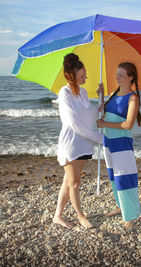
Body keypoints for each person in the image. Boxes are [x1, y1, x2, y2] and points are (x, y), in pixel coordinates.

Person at [52, 53, 103, 229]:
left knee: (68, 181)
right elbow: (74, 123)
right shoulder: (64, 93)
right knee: (74, 182)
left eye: (85, 75)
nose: (86, 78)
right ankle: (81, 216)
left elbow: (88, 117)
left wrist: (99, 102)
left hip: (84, 143)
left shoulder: (83, 92)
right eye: (82, 76)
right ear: (70, 76)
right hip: (71, 144)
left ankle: (57, 216)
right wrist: (98, 138)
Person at [96, 62, 141, 229]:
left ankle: (131, 215)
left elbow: (128, 124)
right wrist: (101, 97)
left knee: (125, 178)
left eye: (121, 75)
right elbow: (105, 113)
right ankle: (122, 206)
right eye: (117, 74)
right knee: (114, 178)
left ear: (130, 77)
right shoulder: (112, 94)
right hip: (108, 142)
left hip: (122, 143)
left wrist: (104, 123)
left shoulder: (133, 97)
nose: (117, 77)